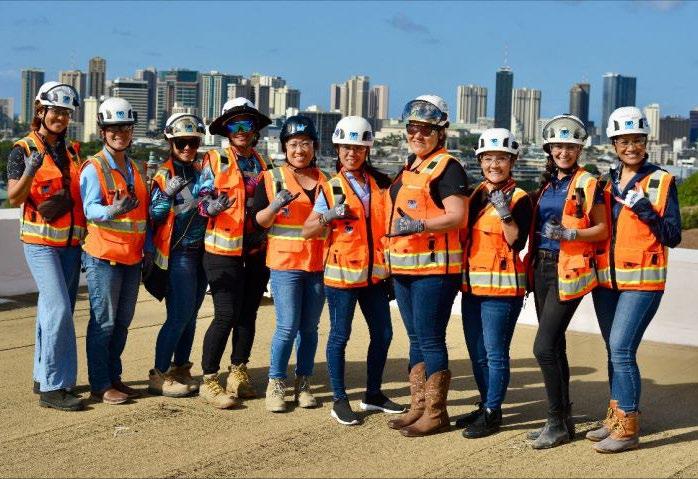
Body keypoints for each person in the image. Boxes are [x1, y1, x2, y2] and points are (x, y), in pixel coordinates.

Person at [587, 107, 681, 453]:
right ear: (613, 144)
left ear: (646, 141)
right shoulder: (606, 181)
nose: (631, 147)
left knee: (622, 349)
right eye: (624, 141)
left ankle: (627, 428)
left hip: (642, 281)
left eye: (637, 140)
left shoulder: (661, 181)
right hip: (607, 281)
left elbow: (672, 235)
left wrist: (644, 209)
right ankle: (615, 417)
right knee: (613, 351)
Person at [302, 116, 403, 425]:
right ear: (338, 149)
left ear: (367, 150)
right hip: (342, 277)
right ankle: (339, 399)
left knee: (383, 334)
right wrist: (329, 215)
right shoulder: (331, 188)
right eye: (346, 147)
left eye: (358, 148)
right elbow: (307, 230)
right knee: (340, 336)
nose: (352, 153)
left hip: (374, 277)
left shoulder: (380, 185)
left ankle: (373, 394)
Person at [385, 95, 468, 437]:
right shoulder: (412, 165)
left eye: (426, 130)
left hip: (435, 270)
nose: (417, 135)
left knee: (431, 339)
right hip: (406, 268)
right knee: (416, 338)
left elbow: (457, 216)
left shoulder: (448, 167)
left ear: (441, 132)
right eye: (413, 128)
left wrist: (420, 225)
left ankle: (436, 412)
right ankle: (418, 406)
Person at [525, 114, 608, 449]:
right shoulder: (548, 184)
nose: (564, 152)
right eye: (558, 146)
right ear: (549, 149)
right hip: (542, 267)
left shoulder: (588, 182)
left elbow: (602, 229)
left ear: (579, 150)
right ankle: (561, 420)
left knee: (543, 347)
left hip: (568, 268)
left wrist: (572, 234)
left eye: (570, 146)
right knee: (555, 346)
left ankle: (556, 420)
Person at [6, 81, 86, 411]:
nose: (60, 117)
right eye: (55, 111)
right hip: (41, 244)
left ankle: (43, 375)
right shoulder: (22, 149)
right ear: (40, 111)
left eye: (66, 112)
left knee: (50, 313)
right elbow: (14, 197)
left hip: (70, 244)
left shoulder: (72, 151)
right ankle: (54, 387)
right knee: (58, 311)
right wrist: (30, 171)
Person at [458, 129, 533, 438]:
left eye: (501, 158)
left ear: (512, 162)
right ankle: (485, 403)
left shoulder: (520, 198)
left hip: (503, 291)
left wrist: (504, 213)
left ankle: (493, 413)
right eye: (488, 158)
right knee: (477, 353)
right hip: (472, 288)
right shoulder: (474, 194)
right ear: (480, 161)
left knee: (495, 353)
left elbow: (517, 241)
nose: (494, 165)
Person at [198, 97, 272, 409]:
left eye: (247, 123)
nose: (241, 130)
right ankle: (209, 379)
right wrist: (211, 207)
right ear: (226, 130)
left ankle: (238, 371)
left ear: (255, 128)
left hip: (256, 249)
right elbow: (201, 199)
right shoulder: (214, 159)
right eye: (234, 125)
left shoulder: (263, 163)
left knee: (248, 314)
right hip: (222, 250)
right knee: (226, 314)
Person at [253, 116, 327, 413]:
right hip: (285, 263)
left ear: (314, 147)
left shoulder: (326, 180)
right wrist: (274, 206)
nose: (299, 150)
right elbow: (259, 221)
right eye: (294, 144)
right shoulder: (272, 178)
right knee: (287, 326)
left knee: (309, 328)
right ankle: (276, 383)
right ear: (285, 147)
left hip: (318, 263)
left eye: (305, 144)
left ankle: (304, 382)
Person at [80, 97, 148, 405]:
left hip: (131, 258)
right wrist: (111, 210)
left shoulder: (133, 168)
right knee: (103, 323)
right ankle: (100, 384)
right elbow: (90, 208)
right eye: (113, 128)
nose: (119, 133)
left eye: (125, 128)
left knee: (121, 323)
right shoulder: (94, 167)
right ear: (103, 132)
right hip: (104, 258)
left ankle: (114, 377)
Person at [145, 113, 212, 397]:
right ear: (170, 142)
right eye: (181, 142)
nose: (187, 147)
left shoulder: (200, 172)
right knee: (179, 315)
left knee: (191, 316)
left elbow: (206, 207)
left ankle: (181, 368)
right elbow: (155, 216)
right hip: (178, 254)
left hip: (201, 253)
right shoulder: (164, 175)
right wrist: (166, 196)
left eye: (193, 142)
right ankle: (159, 374)